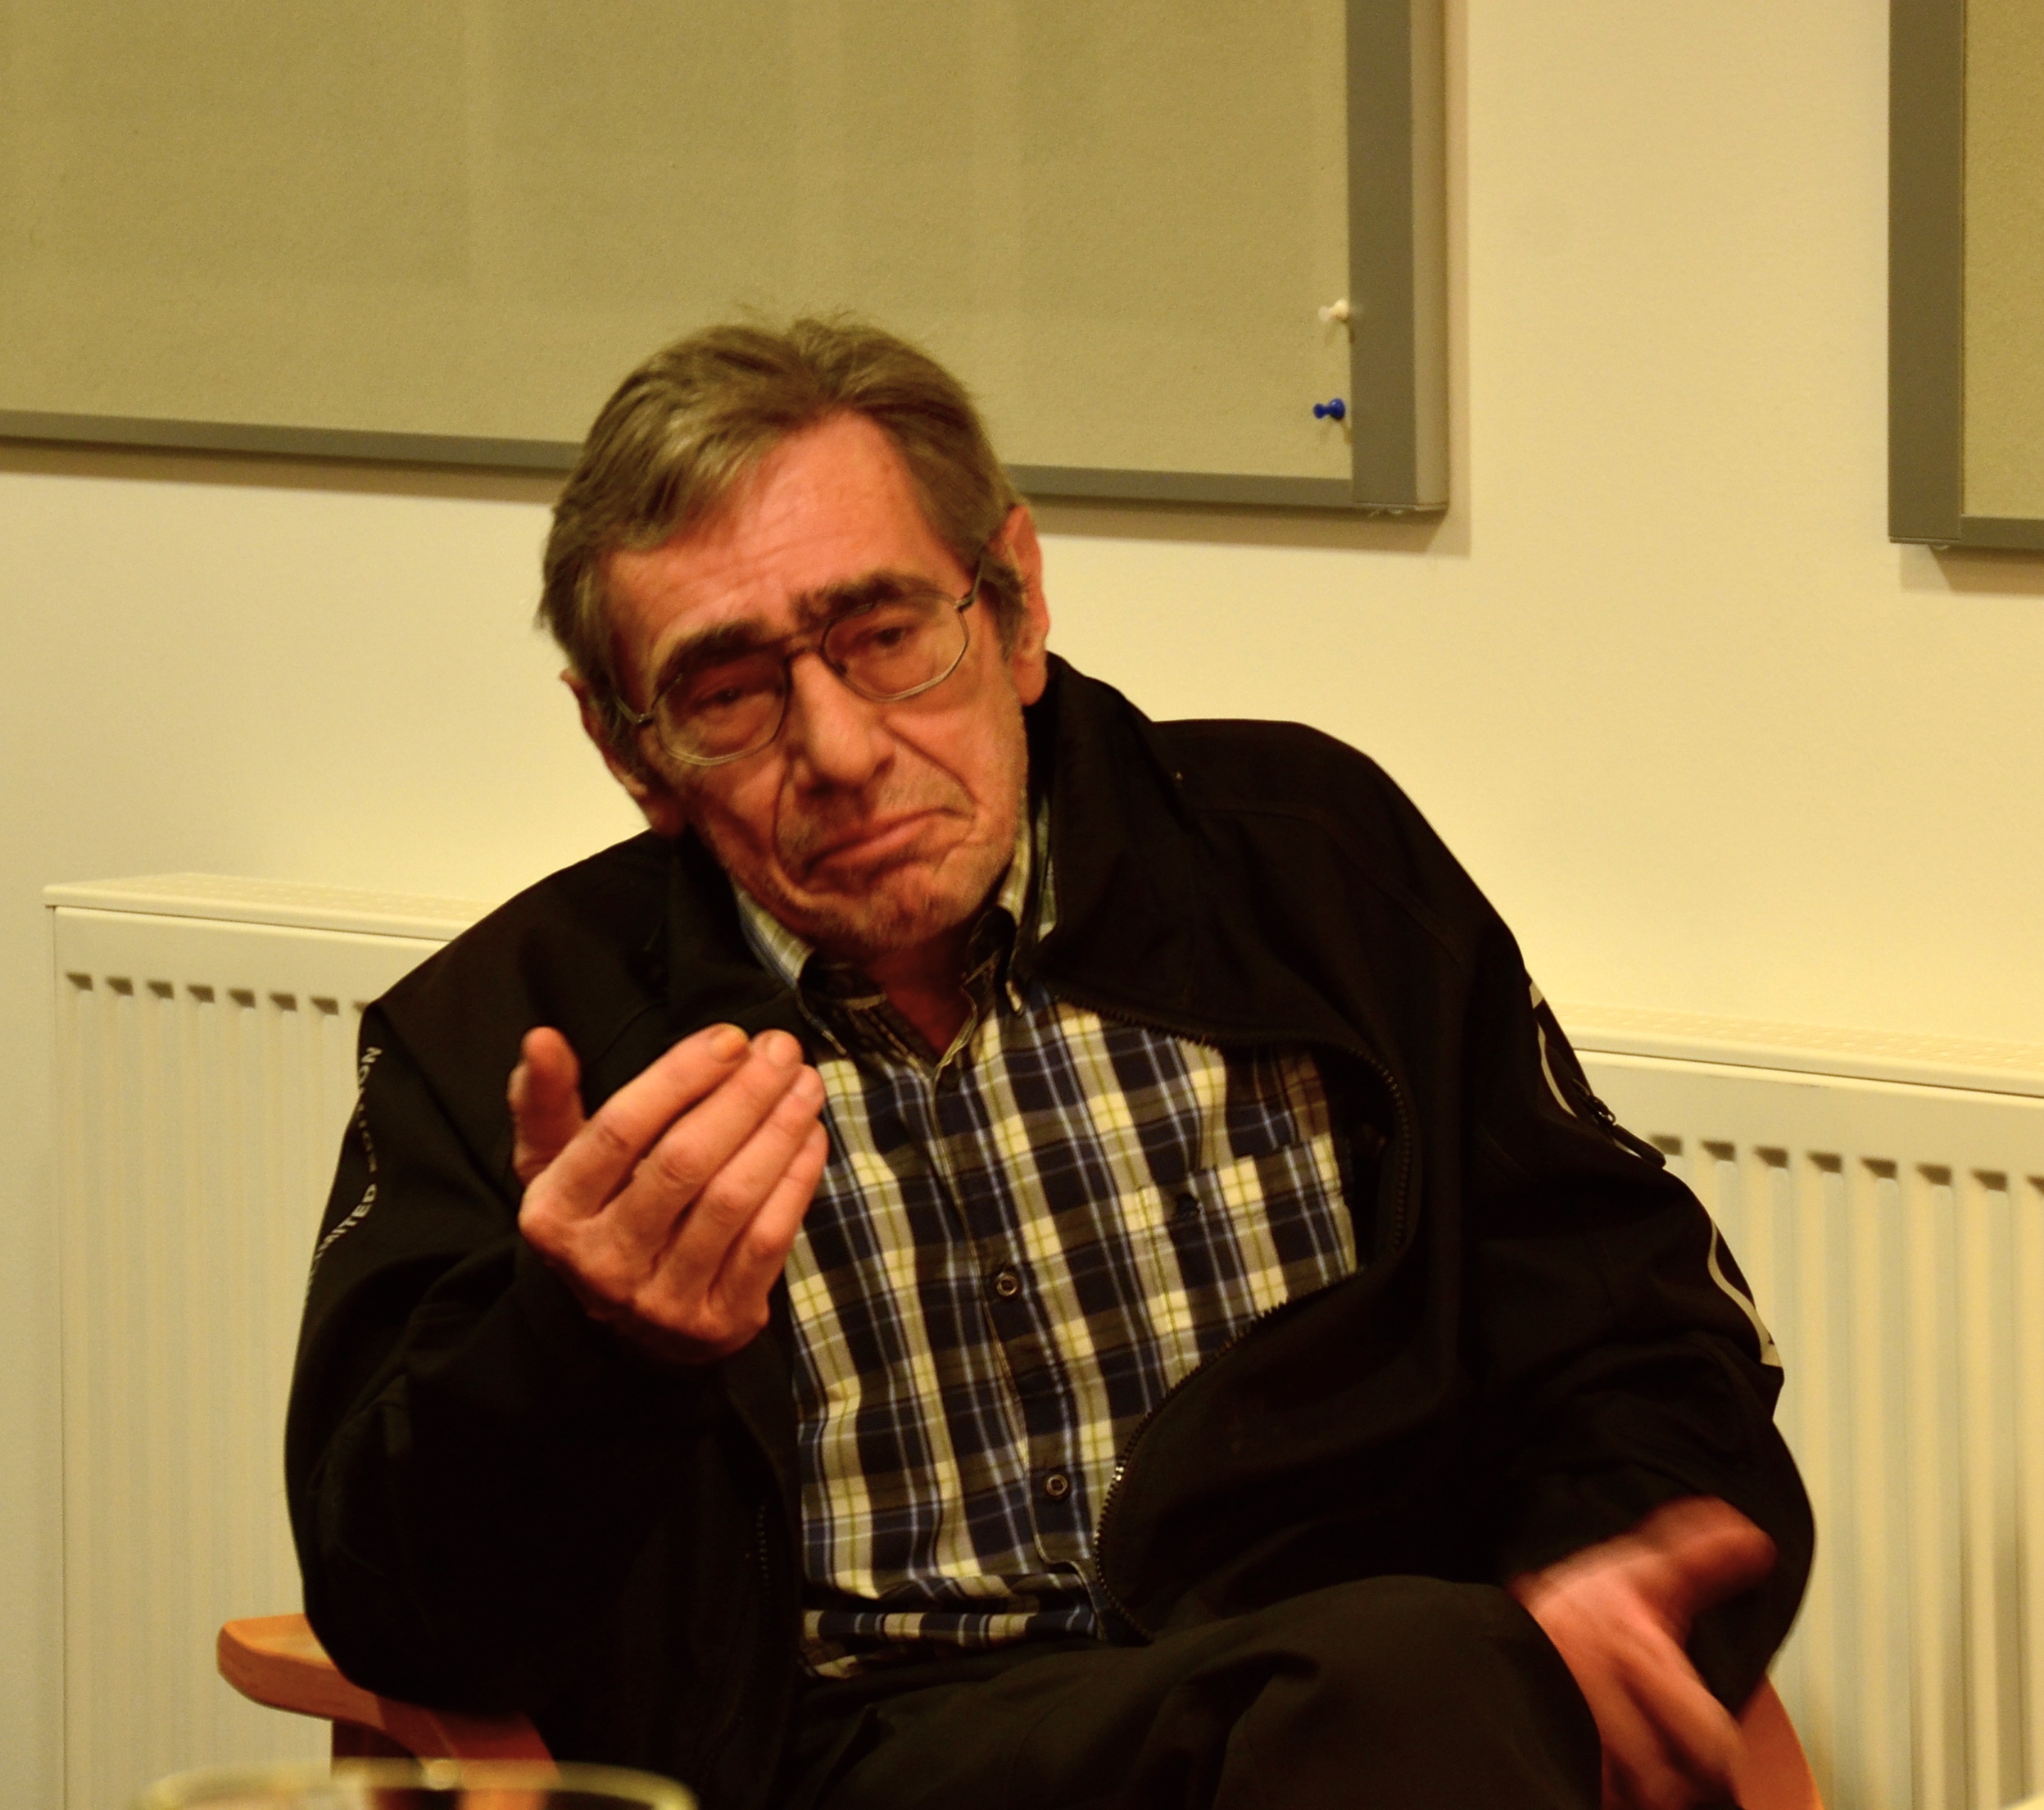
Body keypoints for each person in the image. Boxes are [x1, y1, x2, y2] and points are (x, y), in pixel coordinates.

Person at [286, 318, 1811, 1810]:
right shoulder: (506, 1052)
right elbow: (400, 1614)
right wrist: (583, 1353)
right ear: (631, 751)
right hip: (874, 1754)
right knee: (1409, 1678)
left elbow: (1638, 1339)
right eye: (730, 692)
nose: (841, 750)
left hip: (1376, 1726)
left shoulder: (1310, 872)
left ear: (1013, 608)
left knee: (1400, 1679)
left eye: (887, 636)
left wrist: (1593, 1597)